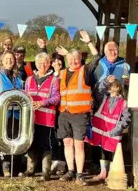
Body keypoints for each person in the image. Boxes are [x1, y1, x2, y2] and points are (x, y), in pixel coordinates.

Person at [55, 30, 99, 186]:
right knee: (67, 143)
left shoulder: (85, 71)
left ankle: (80, 174)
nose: (73, 61)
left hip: (80, 114)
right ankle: (71, 171)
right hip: (64, 114)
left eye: (76, 58)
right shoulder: (62, 73)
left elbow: (96, 58)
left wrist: (88, 42)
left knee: (79, 144)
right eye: (71, 58)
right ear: (67, 59)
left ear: (81, 59)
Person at [21, 52, 60, 181]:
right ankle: (30, 169)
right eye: (40, 63)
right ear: (36, 64)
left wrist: (42, 103)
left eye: (45, 62)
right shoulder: (29, 79)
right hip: (31, 119)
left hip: (46, 120)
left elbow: (56, 98)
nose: (42, 65)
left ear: (49, 64)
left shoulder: (54, 80)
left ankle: (45, 172)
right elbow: (25, 96)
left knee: (45, 145)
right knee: (31, 143)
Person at [87, 76, 131, 182]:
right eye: (109, 85)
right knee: (102, 151)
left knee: (112, 152)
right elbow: (98, 90)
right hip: (101, 131)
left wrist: (117, 129)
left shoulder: (123, 102)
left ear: (118, 87)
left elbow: (126, 118)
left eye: (112, 85)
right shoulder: (104, 98)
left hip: (113, 132)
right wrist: (106, 80)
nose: (109, 87)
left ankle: (111, 173)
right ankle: (103, 173)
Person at [0, 51, 24, 177]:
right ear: (1, 61)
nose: (9, 61)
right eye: (6, 59)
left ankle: (7, 166)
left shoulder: (18, 77)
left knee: (11, 141)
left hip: (14, 115)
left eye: (11, 59)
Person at [50, 53, 67, 175]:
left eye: (59, 60)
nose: (57, 63)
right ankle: (55, 161)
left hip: (65, 110)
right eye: (54, 61)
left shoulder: (67, 73)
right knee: (54, 138)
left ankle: (65, 163)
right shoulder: (50, 76)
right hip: (52, 111)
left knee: (65, 138)